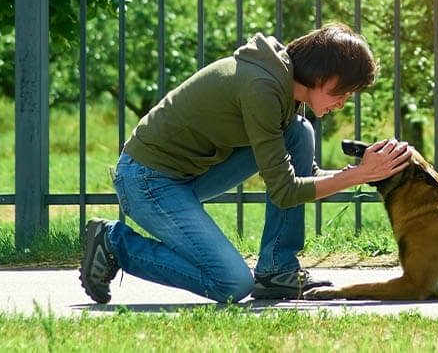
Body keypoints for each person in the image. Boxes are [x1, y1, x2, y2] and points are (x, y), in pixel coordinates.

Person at [79, 22, 412, 303]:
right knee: (232, 284)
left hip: (187, 176)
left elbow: (301, 179)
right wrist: (358, 175)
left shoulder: (282, 87)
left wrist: (363, 172)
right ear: (325, 74)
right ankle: (114, 243)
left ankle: (276, 271)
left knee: (298, 131)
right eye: (345, 91)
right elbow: (286, 191)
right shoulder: (262, 88)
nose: (343, 102)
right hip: (147, 180)